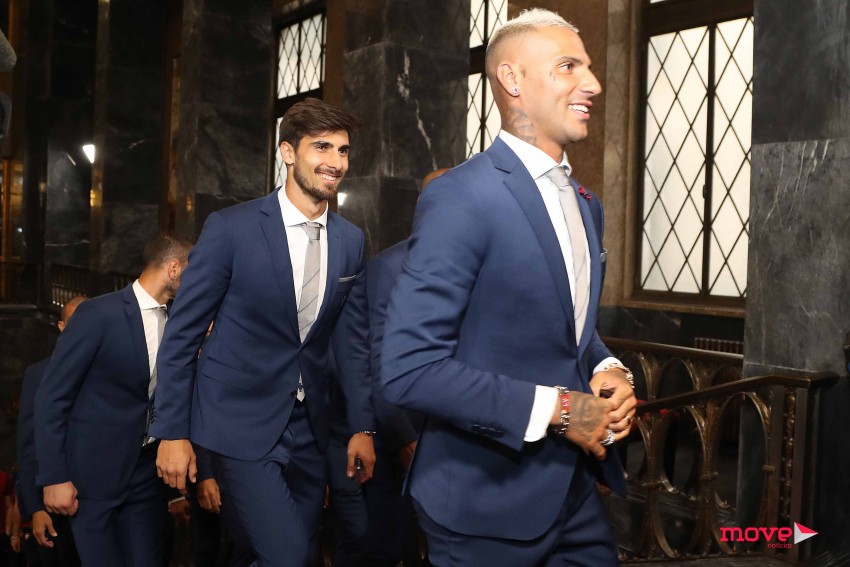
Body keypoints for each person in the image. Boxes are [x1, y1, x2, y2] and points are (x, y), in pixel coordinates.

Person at [381, 9, 637, 565]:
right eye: (568, 66)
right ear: (512, 79)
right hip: (483, 501)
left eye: (589, 66)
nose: (593, 84)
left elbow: (569, 326)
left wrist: (608, 367)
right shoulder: (462, 196)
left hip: (575, 491)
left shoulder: (586, 203)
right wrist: (561, 409)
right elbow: (409, 368)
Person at [151, 97, 375, 566]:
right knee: (287, 555)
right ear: (288, 153)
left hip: (310, 430)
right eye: (321, 147)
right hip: (238, 423)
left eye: (343, 150)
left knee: (293, 553)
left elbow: (351, 343)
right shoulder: (231, 229)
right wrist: (171, 431)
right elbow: (182, 336)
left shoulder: (352, 241)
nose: (335, 162)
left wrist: (361, 425)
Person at [35, 233, 192, 566]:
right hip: (92, 478)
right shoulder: (97, 314)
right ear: (174, 268)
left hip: (146, 477)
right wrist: (53, 476)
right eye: (196, 268)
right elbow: (52, 397)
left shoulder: (179, 320)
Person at [17, 296, 85, 567]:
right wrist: (35, 507)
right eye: (74, 321)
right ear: (61, 326)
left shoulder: (111, 370)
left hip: (107, 502)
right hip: (55, 507)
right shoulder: (38, 374)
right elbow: (28, 445)